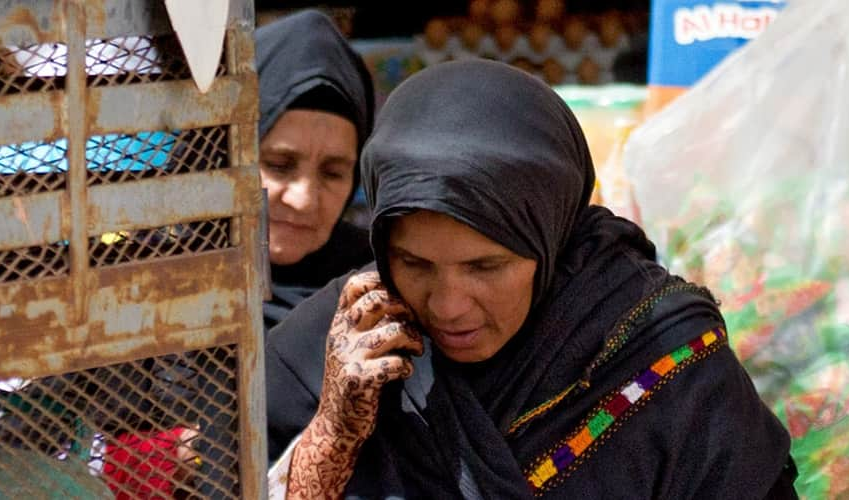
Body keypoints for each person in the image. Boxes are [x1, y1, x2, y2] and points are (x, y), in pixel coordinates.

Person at [264, 60, 797, 498]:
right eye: (416, 264)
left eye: (485, 267)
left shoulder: (664, 365)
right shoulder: (347, 339)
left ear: (551, 239)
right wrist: (334, 431)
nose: (447, 306)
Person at [256, 10, 377, 331]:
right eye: (279, 166)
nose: (304, 201)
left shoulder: (383, 290)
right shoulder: (160, 280)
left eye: (333, 173)